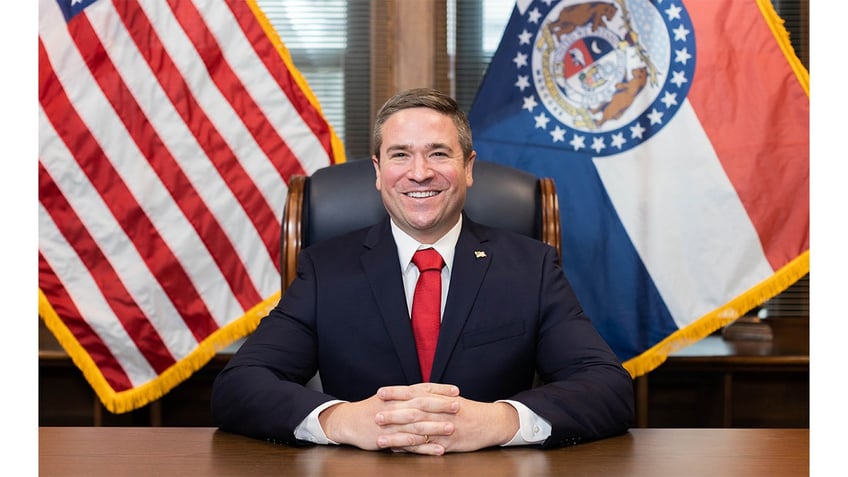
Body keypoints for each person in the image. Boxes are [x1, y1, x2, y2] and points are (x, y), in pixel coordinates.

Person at [211, 88, 634, 455]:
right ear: (378, 172)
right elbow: (239, 386)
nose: (419, 172)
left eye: (438, 153)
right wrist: (340, 421)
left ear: (468, 167)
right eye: (400, 155)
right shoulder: (326, 269)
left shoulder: (531, 267)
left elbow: (608, 389)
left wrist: (500, 422)